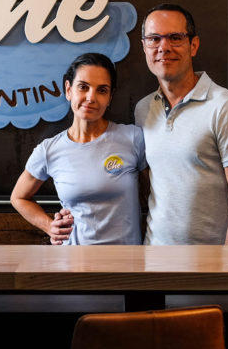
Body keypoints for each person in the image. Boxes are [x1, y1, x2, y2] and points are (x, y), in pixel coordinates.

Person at [134, 3, 228, 245]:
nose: (164, 47)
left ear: (193, 45)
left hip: (210, 266)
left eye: (175, 38)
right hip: (154, 259)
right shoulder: (143, 110)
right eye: (154, 39)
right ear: (144, 47)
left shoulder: (225, 107)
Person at [10, 52, 146, 245]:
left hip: (127, 264)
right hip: (73, 264)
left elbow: (153, 195)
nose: (91, 97)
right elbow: (18, 197)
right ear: (68, 90)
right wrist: (49, 226)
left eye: (102, 90)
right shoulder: (49, 150)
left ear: (110, 98)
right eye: (83, 87)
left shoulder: (133, 138)